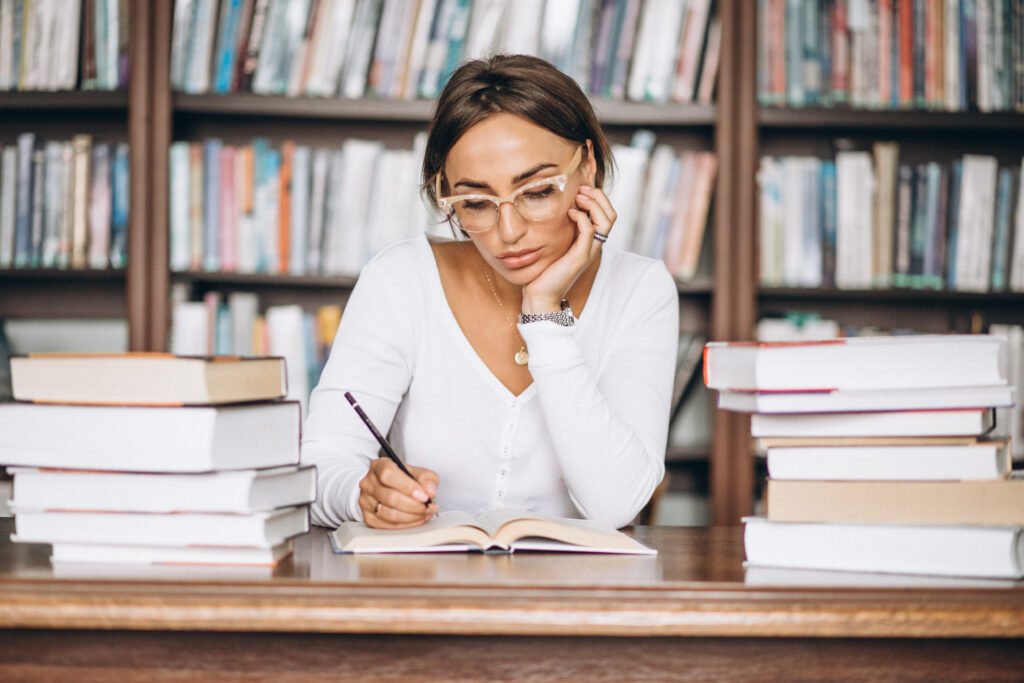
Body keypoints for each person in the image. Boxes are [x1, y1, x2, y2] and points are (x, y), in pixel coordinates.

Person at [302, 54, 678, 531]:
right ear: (445, 192)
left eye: (538, 191)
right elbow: (319, 467)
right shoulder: (400, 279)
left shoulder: (640, 290)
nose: (509, 231)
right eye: (476, 203)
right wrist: (362, 498)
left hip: (578, 599)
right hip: (423, 591)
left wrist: (544, 314)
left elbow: (617, 504)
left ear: (587, 167)